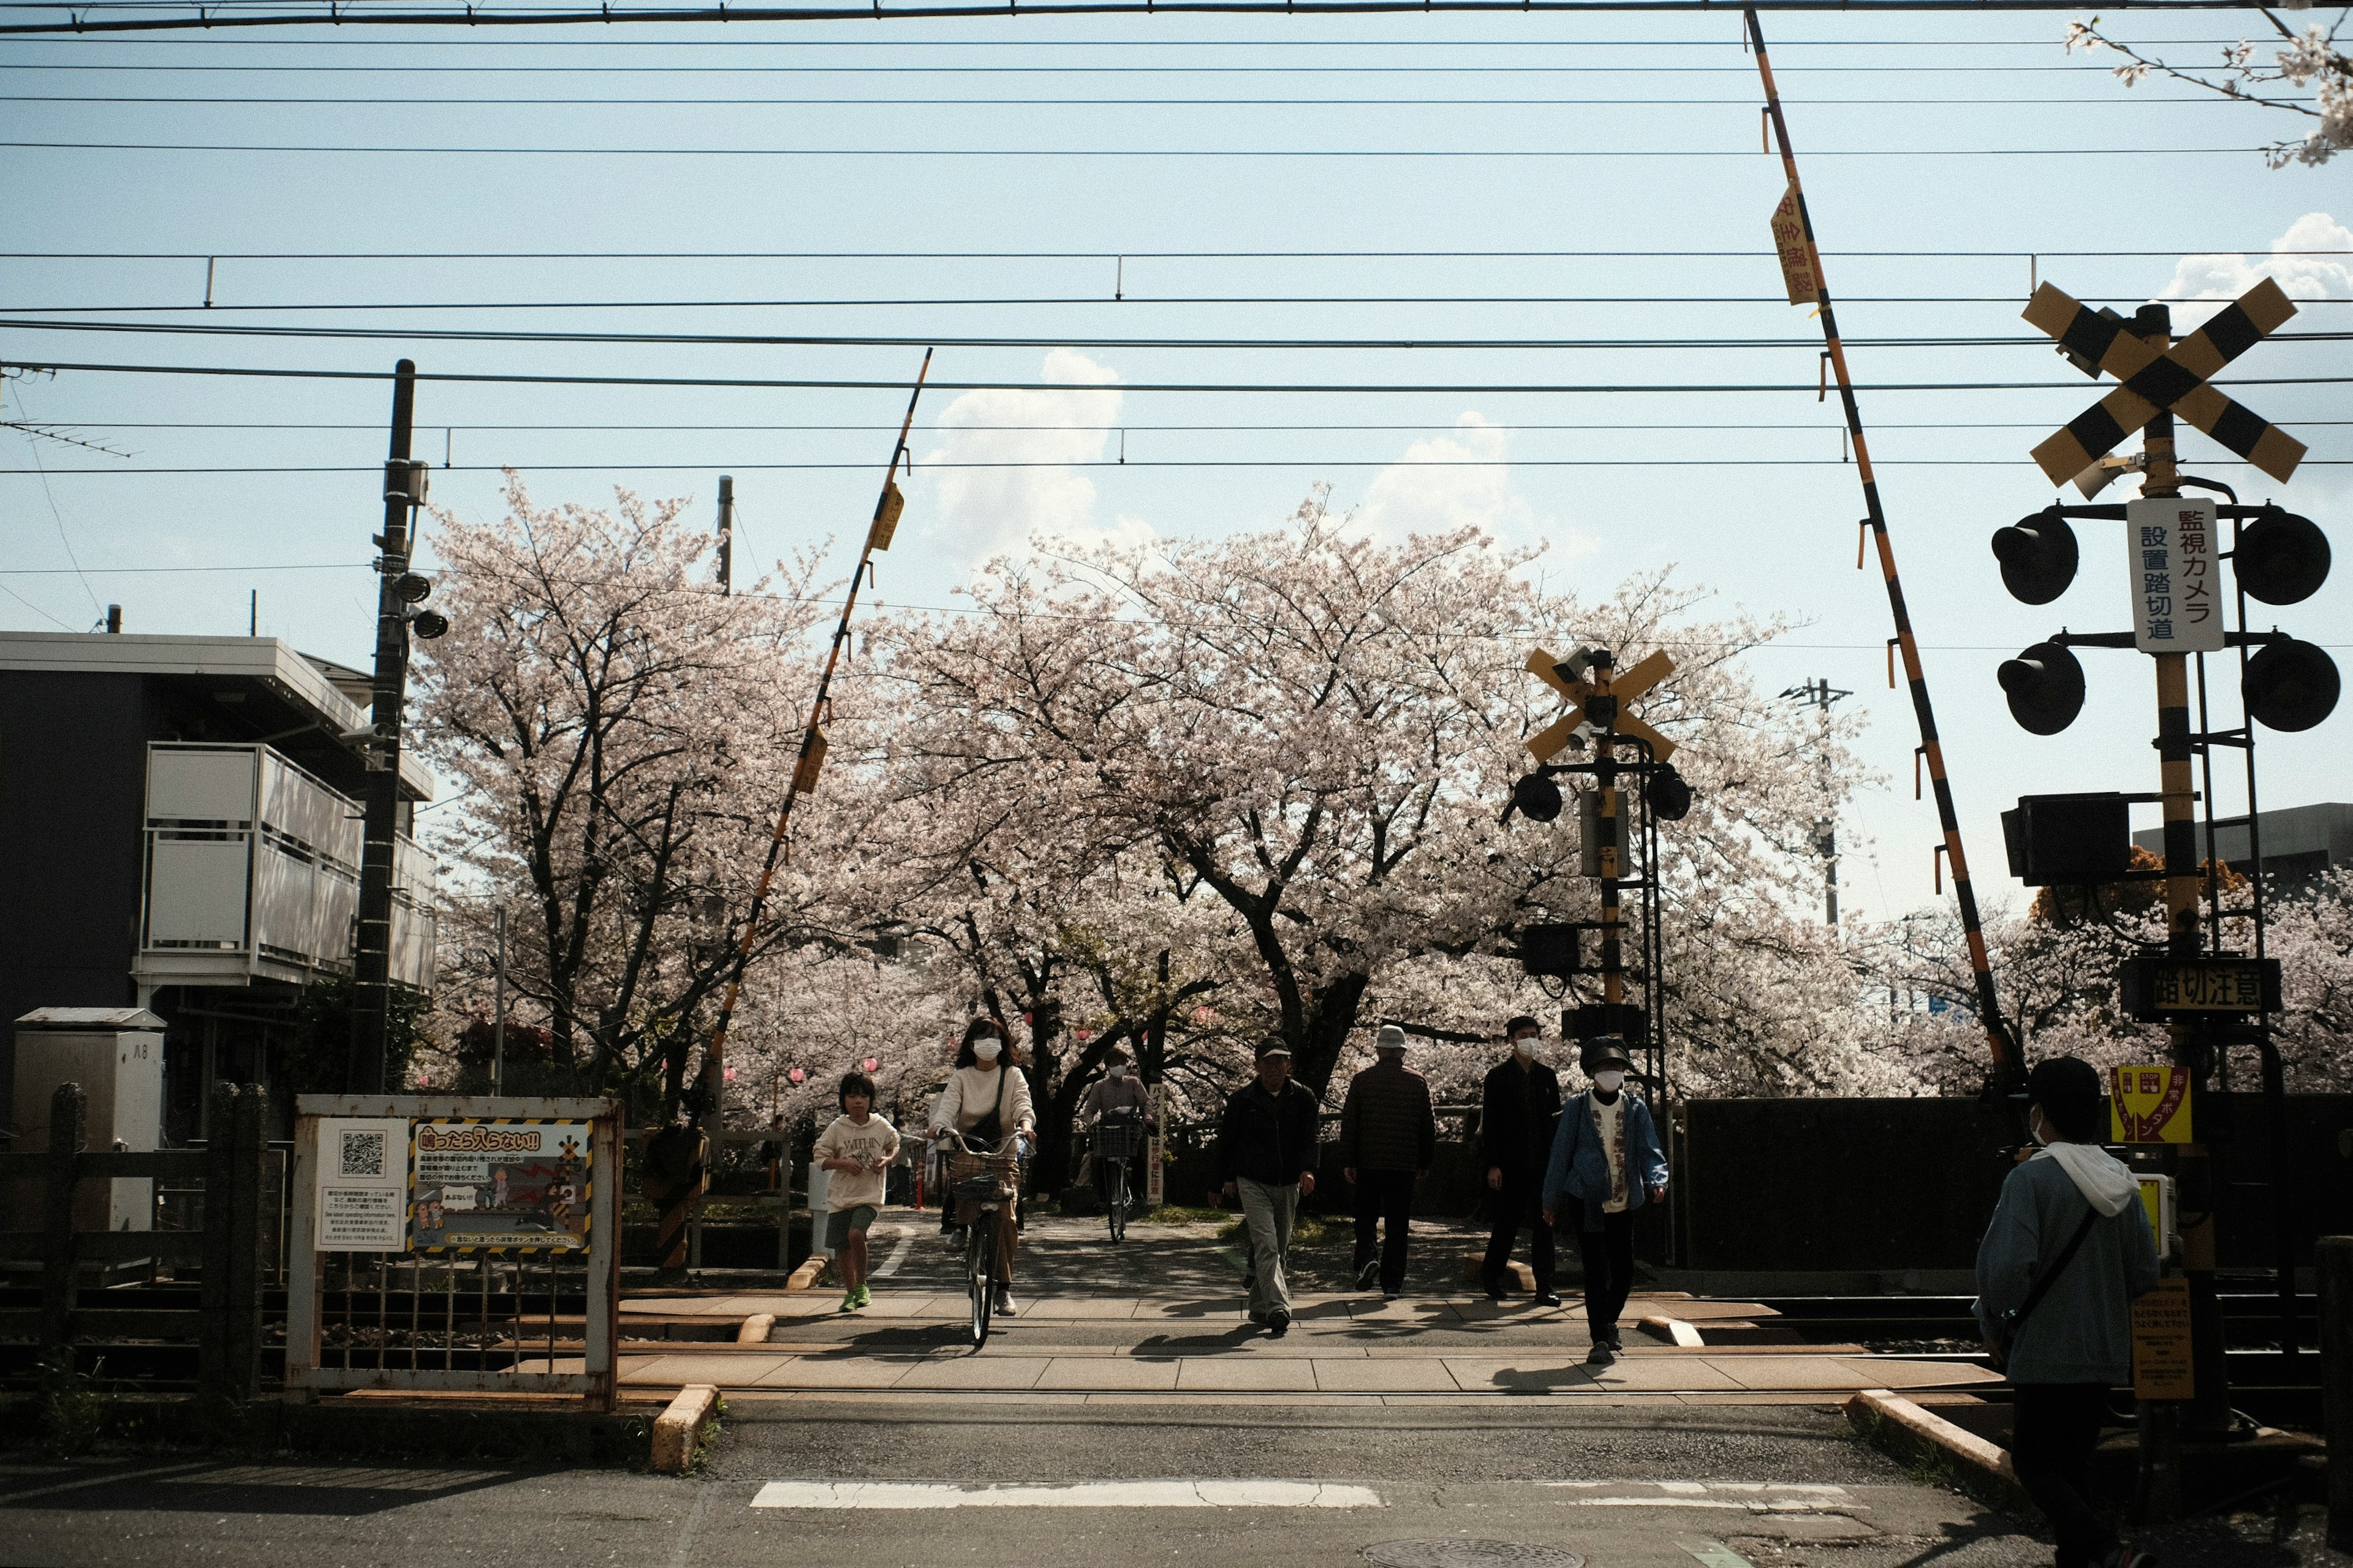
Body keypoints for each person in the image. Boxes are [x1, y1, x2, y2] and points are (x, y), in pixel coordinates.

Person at [1974, 1056, 2161, 1568]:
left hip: (2046, 1351)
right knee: (2074, 1462)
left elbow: (2004, 1273)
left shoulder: (2031, 1182)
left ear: (2042, 1113)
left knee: (2034, 1462)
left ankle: (2106, 1549)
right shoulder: (2120, 1180)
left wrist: (1995, 1315)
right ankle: (2083, 1559)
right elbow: (2145, 1272)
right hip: (2103, 1351)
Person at [1541, 1037, 1668, 1366]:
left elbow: (1650, 1149)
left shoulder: (1636, 1108)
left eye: (1616, 1067)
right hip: (1587, 1198)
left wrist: (1658, 1179)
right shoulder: (1577, 1108)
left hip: (1624, 1198)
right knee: (1596, 1270)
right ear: (1592, 1073)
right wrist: (1550, 1199)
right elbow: (1560, 1155)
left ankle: (1609, 1321)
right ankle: (1599, 1338)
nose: (1611, 1073)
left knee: (1624, 1270)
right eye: (1604, 1067)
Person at [931, 1017, 1036, 1316]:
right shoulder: (961, 1076)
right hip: (969, 1146)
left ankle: (1004, 1289)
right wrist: (940, 1126)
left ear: (1003, 1042)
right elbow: (948, 1107)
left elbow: (1022, 1105)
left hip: (1003, 1149)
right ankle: (962, 1226)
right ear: (971, 1043)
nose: (988, 1042)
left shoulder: (1013, 1074)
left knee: (1006, 1219)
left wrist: (1026, 1126)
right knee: (967, 1182)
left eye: (994, 1036)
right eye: (982, 1036)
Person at [1216, 1039, 1321, 1336]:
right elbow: (1227, 1142)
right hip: (1252, 1180)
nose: (1274, 1068)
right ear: (1257, 1066)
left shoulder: (1304, 1097)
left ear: (1289, 1065)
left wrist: (1309, 1169)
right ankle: (1279, 1308)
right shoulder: (1242, 1100)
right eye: (1268, 1062)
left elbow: (1311, 1136)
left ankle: (1259, 1307)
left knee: (1281, 1247)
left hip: (1288, 1181)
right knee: (1267, 1243)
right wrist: (1220, 1180)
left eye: (1280, 1062)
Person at [1337, 1024, 1437, 1298]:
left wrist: (1349, 1160)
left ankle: (1368, 1256)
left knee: (1365, 1217)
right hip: (1403, 1166)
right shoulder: (1417, 1082)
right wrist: (1424, 1161)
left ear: (1379, 1050)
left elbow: (1350, 1123)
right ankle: (1392, 1284)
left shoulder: (1362, 1080)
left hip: (1369, 1163)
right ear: (1403, 1051)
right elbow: (1428, 1127)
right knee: (1397, 1224)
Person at [1480, 1015, 1563, 1307]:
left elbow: (1556, 1122)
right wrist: (1493, 1164)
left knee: (1545, 1225)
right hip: (1511, 1163)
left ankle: (1546, 1286)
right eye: (1524, 1034)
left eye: (1534, 1034)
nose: (1530, 1039)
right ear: (1512, 1040)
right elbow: (1490, 1124)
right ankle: (1491, 1277)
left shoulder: (1547, 1077)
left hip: (1542, 1163)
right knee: (1507, 1224)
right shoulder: (1498, 1077)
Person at [814, 1070, 900, 1314]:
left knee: (855, 1235)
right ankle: (851, 1293)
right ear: (844, 1100)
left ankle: (862, 1286)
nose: (858, 1101)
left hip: (870, 1195)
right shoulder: (837, 1128)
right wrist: (844, 1164)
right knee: (842, 1245)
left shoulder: (880, 1125)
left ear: (871, 1099)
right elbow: (820, 1157)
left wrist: (886, 1160)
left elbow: (895, 1145)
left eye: (863, 1096)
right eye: (852, 1096)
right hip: (841, 1196)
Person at [1077, 1044, 1156, 1209]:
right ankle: (1104, 1197)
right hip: (1108, 1130)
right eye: (1115, 1063)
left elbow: (1146, 1102)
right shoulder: (1100, 1086)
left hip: (1129, 1127)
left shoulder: (1134, 1083)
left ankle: (1138, 1193)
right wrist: (1090, 1124)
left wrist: (1148, 1116)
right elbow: (1090, 1109)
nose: (1120, 1066)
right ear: (1107, 1066)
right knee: (1100, 1160)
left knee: (1138, 1158)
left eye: (1122, 1062)